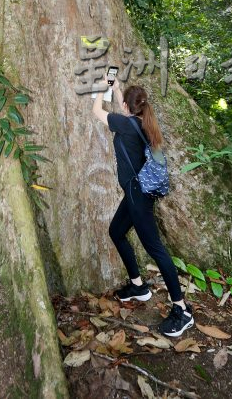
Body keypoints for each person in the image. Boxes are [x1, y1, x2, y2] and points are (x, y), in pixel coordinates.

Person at [92, 75, 195, 337]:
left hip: (138, 196)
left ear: (127, 107)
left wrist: (102, 86)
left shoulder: (125, 124)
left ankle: (181, 310)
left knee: (157, 250)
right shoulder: (144, 123)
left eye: (123, 103)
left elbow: (96, 111)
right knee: (116, 231)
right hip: (136, 193)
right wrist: (117, 91)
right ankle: (138, 286)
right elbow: (125, 112)